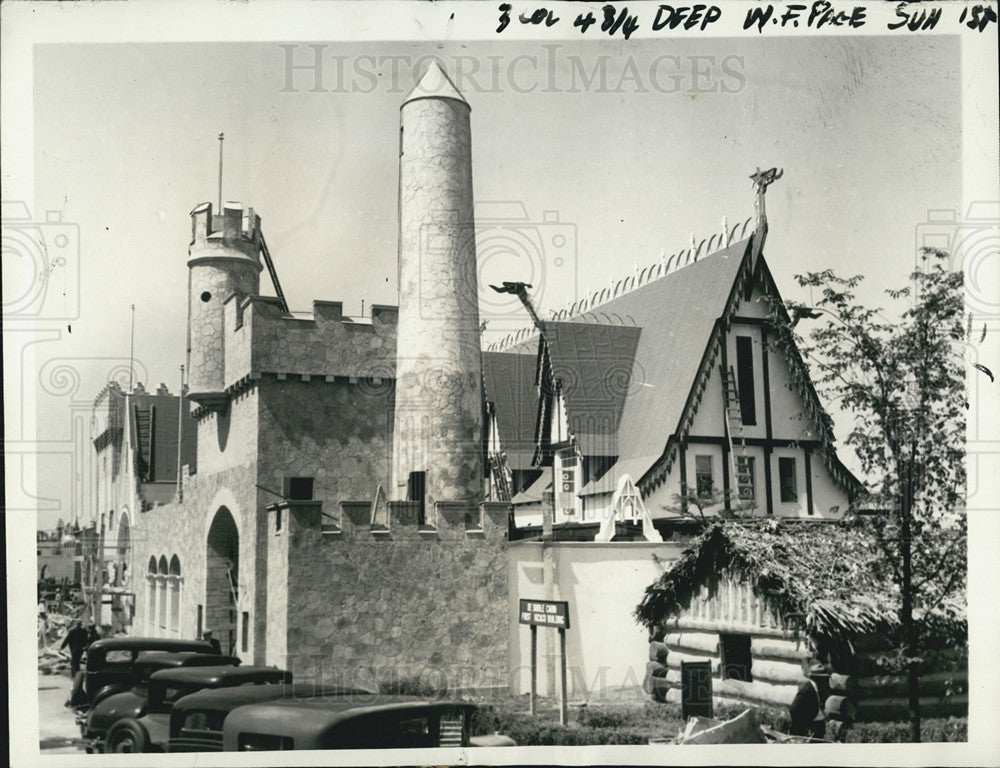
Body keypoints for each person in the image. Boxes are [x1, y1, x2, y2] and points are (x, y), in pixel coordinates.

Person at [789, 662, 830, 740]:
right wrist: (804, 726)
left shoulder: (818, 689)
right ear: (817, 678)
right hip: (809, 729)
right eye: (823, 678)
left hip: (818, 727)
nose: (825, 680)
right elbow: (793, 710)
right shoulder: (806, 690)